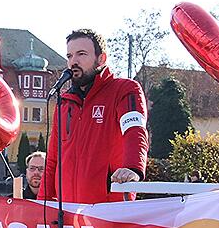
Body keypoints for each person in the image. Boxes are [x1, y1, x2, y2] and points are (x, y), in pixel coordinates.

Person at [37, 29, 149, 204]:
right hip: (67, 213)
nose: (74, 61)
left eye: (81, 54)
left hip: (108, 211)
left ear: (101, 59)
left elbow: (135, 131)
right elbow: (53, 159)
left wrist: (133, 168)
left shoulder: (124, 90)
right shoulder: (64, 103)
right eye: (69, 56)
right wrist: (42, 206)